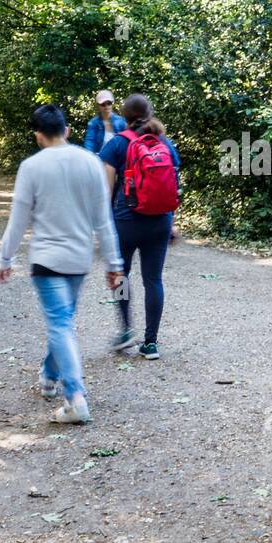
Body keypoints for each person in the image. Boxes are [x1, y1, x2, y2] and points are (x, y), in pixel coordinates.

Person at [0, 105, 124, 423]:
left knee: (60, 324)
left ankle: (76, 397)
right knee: (63, 322)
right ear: (66, 130)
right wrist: (114, 264)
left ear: (38, 136)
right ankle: (48, 375)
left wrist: (5, 258)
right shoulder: (91, 163)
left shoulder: (31, 167)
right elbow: (103, 220)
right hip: (78, 260)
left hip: (46, 260)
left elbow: (19, 218)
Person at [99, 93, 179, 360]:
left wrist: (103, 226)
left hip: (126, 222)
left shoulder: (117, 145)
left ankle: (125, 330)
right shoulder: (164, 143)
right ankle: (151, 343)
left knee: (122, 275)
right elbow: (172, 186)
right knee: (154, 280)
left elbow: (106, 190)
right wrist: (173, 224)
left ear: (125, 117)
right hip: (160, 222)